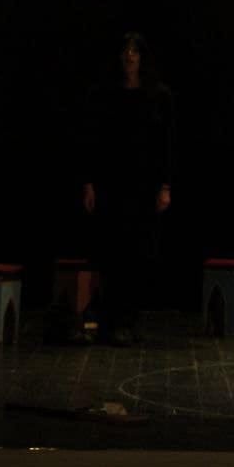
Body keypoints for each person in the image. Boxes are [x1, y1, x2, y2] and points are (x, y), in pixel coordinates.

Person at [81, 32, 175, 346]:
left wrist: (165, 185)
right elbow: (93, 140)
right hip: (112, 183)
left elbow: (166, 144)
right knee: (112, 252)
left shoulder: (158, 95)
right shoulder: (104, 94)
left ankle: (130, 319)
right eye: (126, 50)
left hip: (144, 185)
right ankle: (110, 320)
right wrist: (89, 183)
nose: (130, 56)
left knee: (139, 253)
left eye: (135, 50)